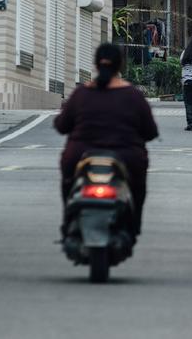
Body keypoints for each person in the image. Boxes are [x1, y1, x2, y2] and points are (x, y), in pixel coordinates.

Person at [54, 43, 158, 238]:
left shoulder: (81, 93)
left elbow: (61, 126)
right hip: (127, 156)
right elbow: (150, 131)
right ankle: (134, 226)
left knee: (68, 183)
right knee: (137, 186)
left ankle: (68, 222)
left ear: (95, 65)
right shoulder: (134, 96)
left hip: (80, 154)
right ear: (120, 66)